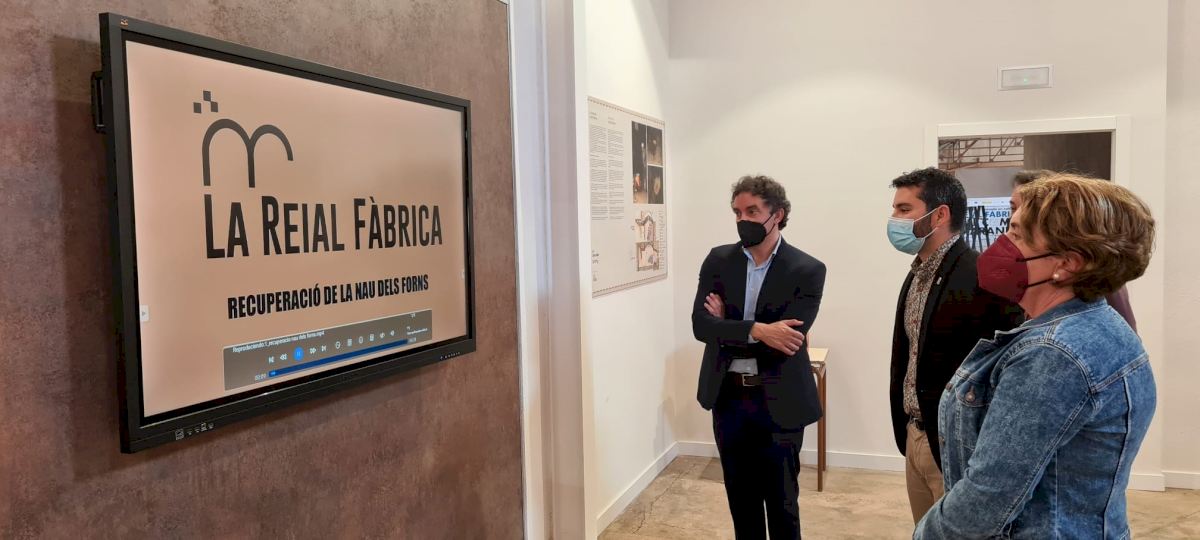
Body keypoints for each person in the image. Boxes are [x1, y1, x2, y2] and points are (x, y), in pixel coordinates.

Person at [915, 174, 1156, 539]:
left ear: (1068, 263)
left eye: (1017, 235)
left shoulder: (1052, 355)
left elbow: (986, 499)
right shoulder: (1100, 326)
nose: (1001, 245)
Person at [692, 175, 826, 540]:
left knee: (782, 504)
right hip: (729, 397)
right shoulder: (719, 260)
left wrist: (728, 326)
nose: (742, 220)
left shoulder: (807, 269)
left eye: (752, 211)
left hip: (779, 400)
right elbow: (701, 326)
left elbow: (788, 340)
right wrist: (759, 329)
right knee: (741, 501)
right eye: (737, 212)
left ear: (777, 215)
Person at [886, 167, 1023, 524]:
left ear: (939, 215)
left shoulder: (984, 277)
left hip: (957, 445)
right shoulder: (916, 274)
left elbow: (1009, 370)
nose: (894, 218)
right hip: (914, 435)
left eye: (904, 209)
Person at [1012, 169, 1138, 332]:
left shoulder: (1097, 275)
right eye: (1013, 209)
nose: (1017, 218)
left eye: (1028, 211)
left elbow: (1123, 328)